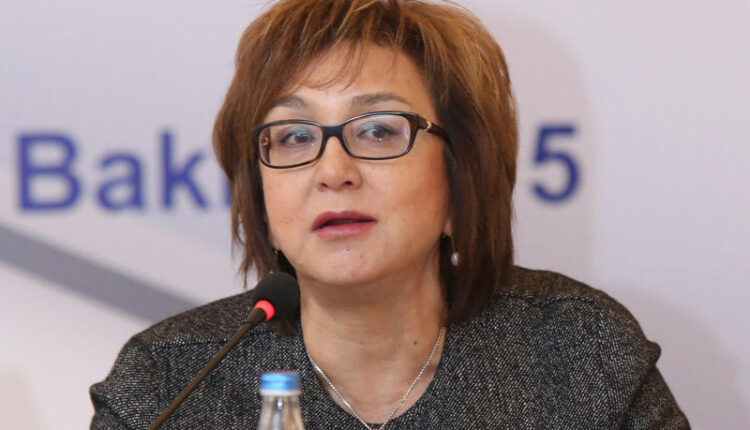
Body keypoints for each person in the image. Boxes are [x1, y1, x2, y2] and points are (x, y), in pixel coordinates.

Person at [90, 0, 690, 428]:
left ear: (461, 176)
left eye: (378, 129)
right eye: (294, 136)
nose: (333, 171)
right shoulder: (169, 384)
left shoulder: (578, 354)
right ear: (260, 193)